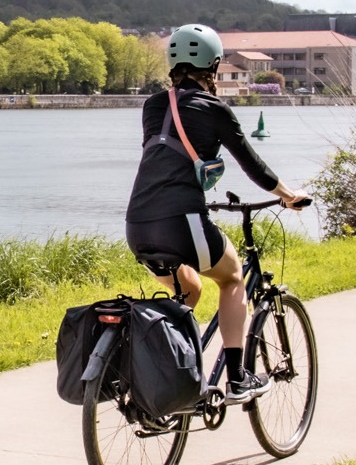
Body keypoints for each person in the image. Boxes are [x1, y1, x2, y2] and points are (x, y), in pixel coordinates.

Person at [125, 23, 310, 402]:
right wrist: (288, 195)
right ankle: (239, 377)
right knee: (232, 278)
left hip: (138, 225)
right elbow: (254, 166)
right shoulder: (215, 109)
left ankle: (167, 372)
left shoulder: (153, 105)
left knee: (188, 289)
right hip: (182, 223)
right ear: (213, 65)